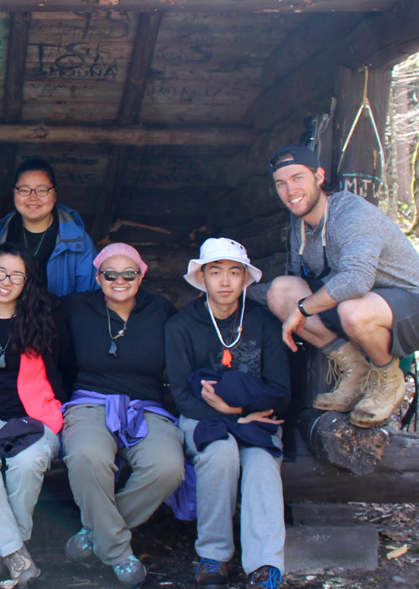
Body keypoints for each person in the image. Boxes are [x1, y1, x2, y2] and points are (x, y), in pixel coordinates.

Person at [255, 145, 419, 428]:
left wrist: (303, 309)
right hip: (353, 309)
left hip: (417, 312)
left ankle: (388, 378)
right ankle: (354, 369)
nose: (290, 190)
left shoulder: (351, 214)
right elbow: (295, 283)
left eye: (298, 178)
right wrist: (235, 291)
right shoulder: (299, 227)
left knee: (352, 309)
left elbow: (357, 280)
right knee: (281, 292)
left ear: (318, 176)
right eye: (281, 184)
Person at [58, 242, 184, 589]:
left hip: (146, 406)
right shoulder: (75, 307)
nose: (119, 280)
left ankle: (95, 534)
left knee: (168, 466)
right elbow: (29, 310)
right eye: (110, 274)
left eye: (129, 274)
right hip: (90, 401)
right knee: (87, 456)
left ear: (141, 276)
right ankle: (117, 552)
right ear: (98, 277)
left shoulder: (161, 310)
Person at [166, 238, 290, 589]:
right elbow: (180, 395)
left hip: (255, 418)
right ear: (201, 278)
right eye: (215, 272)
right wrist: (233, 417)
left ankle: (265, 564)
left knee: (262, 462)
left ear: (245, 279)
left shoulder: (264, 323)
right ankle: (213, 556)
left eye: (234, 272)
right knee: (219, 453)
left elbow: (281, 391)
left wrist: (239, 410)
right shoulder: (181, 326)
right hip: (203, 418)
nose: (224, 281)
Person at [0, 244, 67, 588]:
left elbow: (66, 367)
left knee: (28, 461)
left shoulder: (44, 317)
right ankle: (16, 553)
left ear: (26, 280)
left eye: (16, 275)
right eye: (0, 272)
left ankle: (2, 549)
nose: (6, 281)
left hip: (35, 415)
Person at [0, 157, 99, 298]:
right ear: (14, 193)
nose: (33, 198)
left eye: (42, 190)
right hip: (3, 319)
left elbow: (87, 298)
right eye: (24, 190)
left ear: (55, 194)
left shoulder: (78, 240)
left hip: (59, 319)